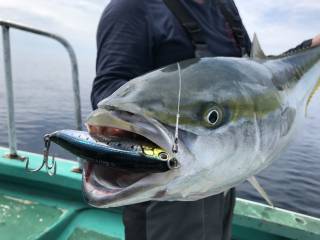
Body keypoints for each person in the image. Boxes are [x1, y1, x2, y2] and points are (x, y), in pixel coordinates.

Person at [90, 1, 320, 239]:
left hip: (221, 172)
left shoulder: (224, 7)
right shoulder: (134, 8)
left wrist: (312, 46)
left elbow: (261, 73)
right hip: (164, 184)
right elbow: (108, 94)